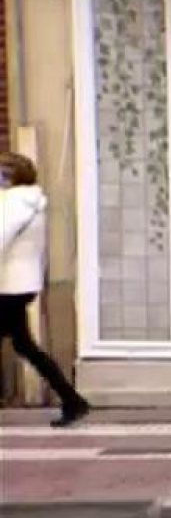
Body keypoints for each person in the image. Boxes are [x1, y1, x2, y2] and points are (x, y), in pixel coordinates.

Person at [1, 152, 90, 426]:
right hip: (19, 284)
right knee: (24, 345)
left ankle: (73, 401)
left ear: (11, 176)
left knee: (24, 346)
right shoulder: (29, 203)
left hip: (10, 287)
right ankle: (73, 401)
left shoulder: (15, 203)